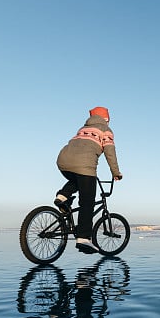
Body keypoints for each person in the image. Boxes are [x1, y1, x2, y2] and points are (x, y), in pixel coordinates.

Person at [55, 106, 122, 254]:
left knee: (77, 178)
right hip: (84, 165)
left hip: (63, 161)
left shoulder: (83, 129)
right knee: (87, 201)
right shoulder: (106, 130)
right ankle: (84, 238)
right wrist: (116, 172)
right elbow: (110, 153)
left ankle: (62, 196)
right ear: (106, 119)